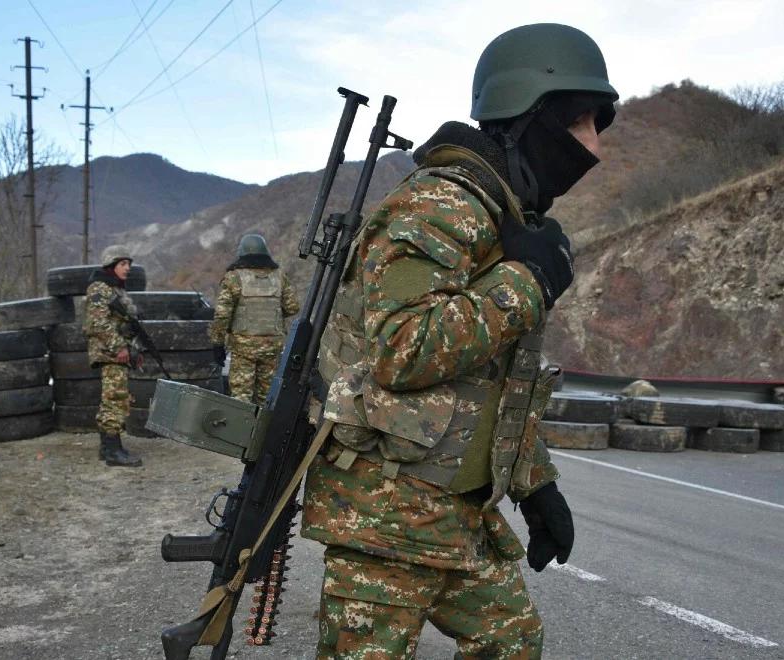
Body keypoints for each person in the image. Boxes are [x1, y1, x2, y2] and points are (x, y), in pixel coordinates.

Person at [300, 23, 618, 658]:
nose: (594, 148)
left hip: (452, 511)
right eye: (581, 123)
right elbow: (402, 348)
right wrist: (525, 281)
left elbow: (494, 381)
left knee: (512, 643)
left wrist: (536, 485)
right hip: (387, 517)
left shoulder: (504, 216)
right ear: (529, 115)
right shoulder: (440, 204)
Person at [209, 233, 300, 405]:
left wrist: (217, 343)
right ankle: (263, 430)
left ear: (242, 252)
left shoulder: (234, 278)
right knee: (266, 397)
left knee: (241, 397)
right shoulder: (279, 276)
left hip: (243, 348)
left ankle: (241, 431)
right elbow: (293, 307)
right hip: (272, 346)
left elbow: (222, 315)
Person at [84, 244, 144, 467]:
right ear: (111, 265)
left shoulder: (116, 289)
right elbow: (99, 323)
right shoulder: (100, 288)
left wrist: (132, 348)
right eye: (122, 264)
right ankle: (113, 451)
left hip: (118, 352)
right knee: (115, 400)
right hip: (110, 353)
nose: (127, 268)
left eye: (128, 264)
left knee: (113, 398)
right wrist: (120, 347)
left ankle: (107, 447)